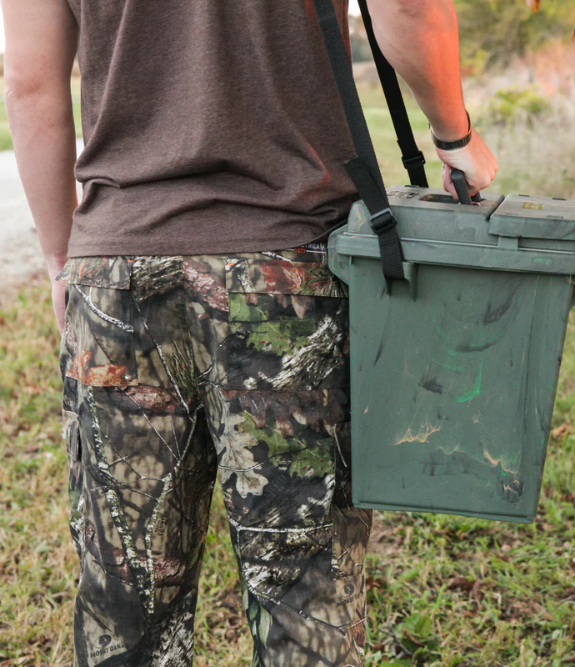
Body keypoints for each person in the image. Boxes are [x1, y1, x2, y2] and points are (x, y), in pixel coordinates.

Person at [2, 0, 498, 663]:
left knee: (127, 603)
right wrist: (454, 135)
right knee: (304, 597)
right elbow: (408, 8)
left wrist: (64, 259)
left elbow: (31, 84)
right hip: (287, 270)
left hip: (117, 279)